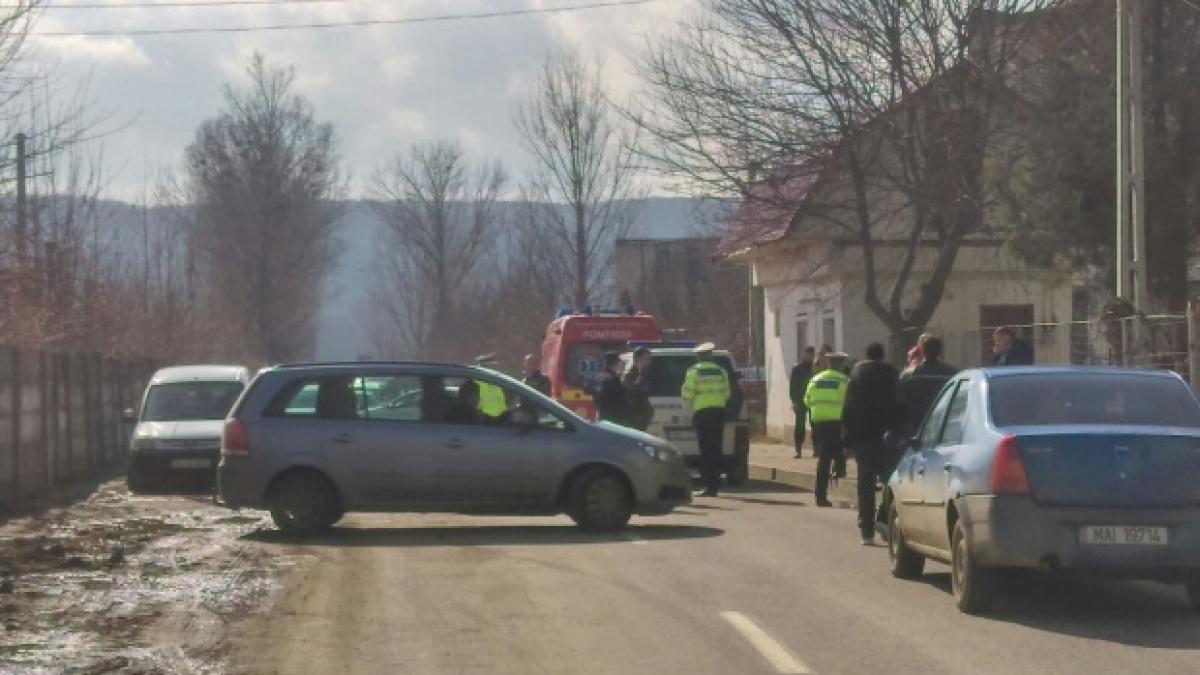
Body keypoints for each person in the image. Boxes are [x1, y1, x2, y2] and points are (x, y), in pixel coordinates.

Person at [842, 343, 902, 546]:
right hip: (888, 437)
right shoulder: (892, 374)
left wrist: (847, 440)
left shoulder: (856, 375)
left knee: (865, 484)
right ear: (882, 355)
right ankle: (886, 520)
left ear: (866, 356)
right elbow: (899, 404)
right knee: (889, 482)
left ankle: (866, 530)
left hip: (863, 438)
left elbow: (849, 408)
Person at [682, 342, 732, 497]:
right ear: (710, 355)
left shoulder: (694, 371)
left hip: (702, 413)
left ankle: (709, 486)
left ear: (698, 357)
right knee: (716, 449)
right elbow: (727, 393)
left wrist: (690, 406)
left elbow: (687, 394)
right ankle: (715, 485)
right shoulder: (721, 371)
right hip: (719, 413)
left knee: (705, 450)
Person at [804, 352, 849, 508]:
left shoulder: (815, 380)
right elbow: (849, 402)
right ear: (840, 364)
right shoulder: (843, 381)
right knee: (838, 453)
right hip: (836, 422)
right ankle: (839, 476)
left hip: (818, 423)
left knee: (823, 459)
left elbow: (807, 401)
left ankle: (820, 496)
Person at [898, 336, 958, 436]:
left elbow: (901, 403)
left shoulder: (909, 375)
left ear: (922, 350)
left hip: (916, 426)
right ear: (940, 351)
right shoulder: (952, 374)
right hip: (943, 425)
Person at [789, 347, 816, 458]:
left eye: (812, 355)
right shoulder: (797, 369)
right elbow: (793, 386)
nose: (810, 357)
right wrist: (794, 401)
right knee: (799, 426)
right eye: (808, 354)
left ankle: (816, 449)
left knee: (815, 425)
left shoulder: (815, 369)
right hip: (800, 401)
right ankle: (798, 449)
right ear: (804, 355)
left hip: (813, 400)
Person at [593, 351, 629, 425]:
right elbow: (622, 400)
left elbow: (588, 389)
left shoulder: (598, 377)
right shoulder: (613, 379)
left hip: (600, 414)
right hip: (613, 418)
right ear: (616, 363)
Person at [623, 347, 654, 431]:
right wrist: (641, 374)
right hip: (635, 418)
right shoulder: (629, 375)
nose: (649, 361)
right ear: (637, 359)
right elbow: (633, 391)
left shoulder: (644, 373)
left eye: (649, 358)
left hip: (643, 418)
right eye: (646, 358)